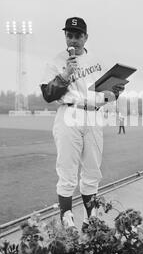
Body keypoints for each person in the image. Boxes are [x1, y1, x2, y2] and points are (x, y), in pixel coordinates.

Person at [40, 17, 124, 231]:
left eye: (78, 35)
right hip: (69, 113)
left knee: (92, 170)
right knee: (67, 172)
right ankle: (67, 222)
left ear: (86, 37)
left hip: (94, 116)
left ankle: (91, 219)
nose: (73, 40)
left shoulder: (96, 60)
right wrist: (66, 74)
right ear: (65, 36)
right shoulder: (55, 61)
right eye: (69, 35)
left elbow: (110, 92)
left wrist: (111, 95)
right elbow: (48, 95)